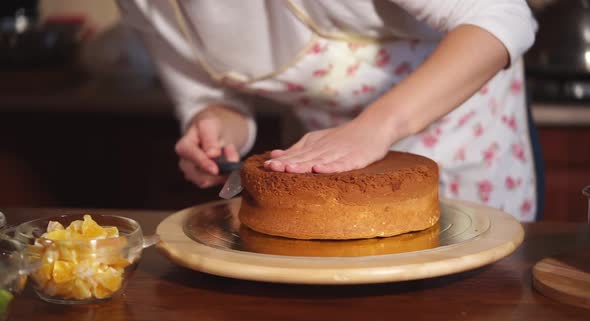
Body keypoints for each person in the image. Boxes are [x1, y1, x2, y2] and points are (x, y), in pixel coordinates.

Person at [117, 1, 539, 221]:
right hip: (331, 167)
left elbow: (502, 15)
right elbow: (210, 97)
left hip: (465, 144)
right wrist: (211, 127)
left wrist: (375, 127)